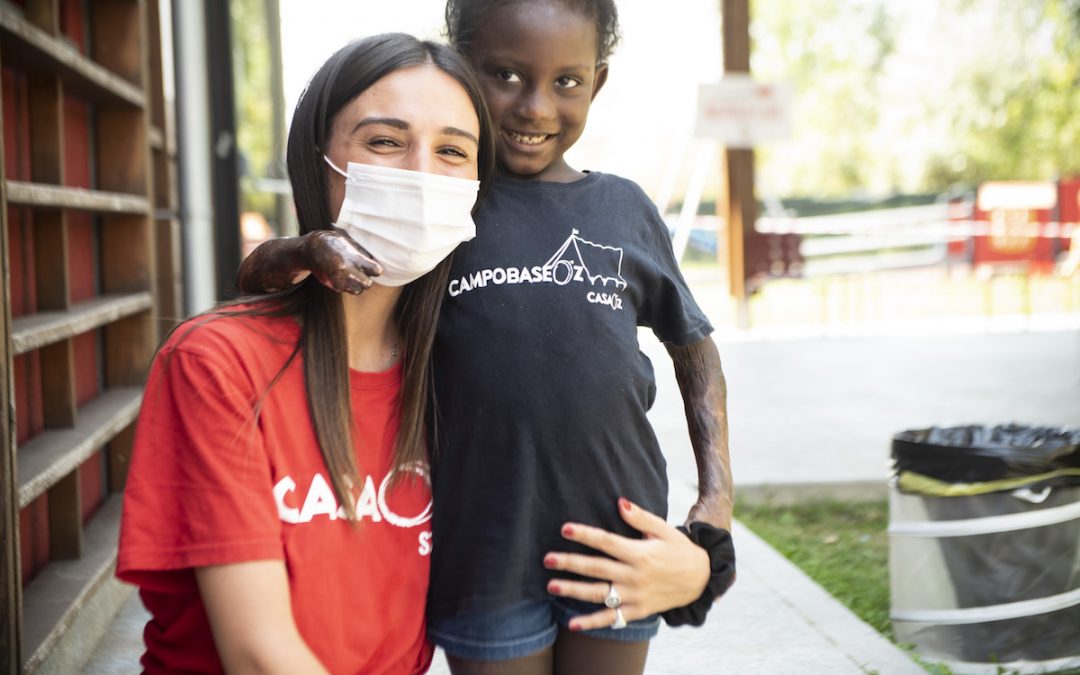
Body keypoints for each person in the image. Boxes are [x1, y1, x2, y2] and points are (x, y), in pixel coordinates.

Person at [237, 2, 736, 673]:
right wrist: (310, 247)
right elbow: (259, 274)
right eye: (504, 74)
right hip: (481, 549)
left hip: (619, 541)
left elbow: (693, 342)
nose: (534, 107)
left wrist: (716, 499)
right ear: (464, 66)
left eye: (567, 81)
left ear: (599, 81)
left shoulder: (624, 207)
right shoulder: (439, 204)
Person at [117, 34, 498, 674]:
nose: (422, 175)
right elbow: (259, 655)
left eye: (452, 152)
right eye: (383, 142)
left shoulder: (462, 371)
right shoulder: (217, 362)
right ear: (315, 159)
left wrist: (689, 565)